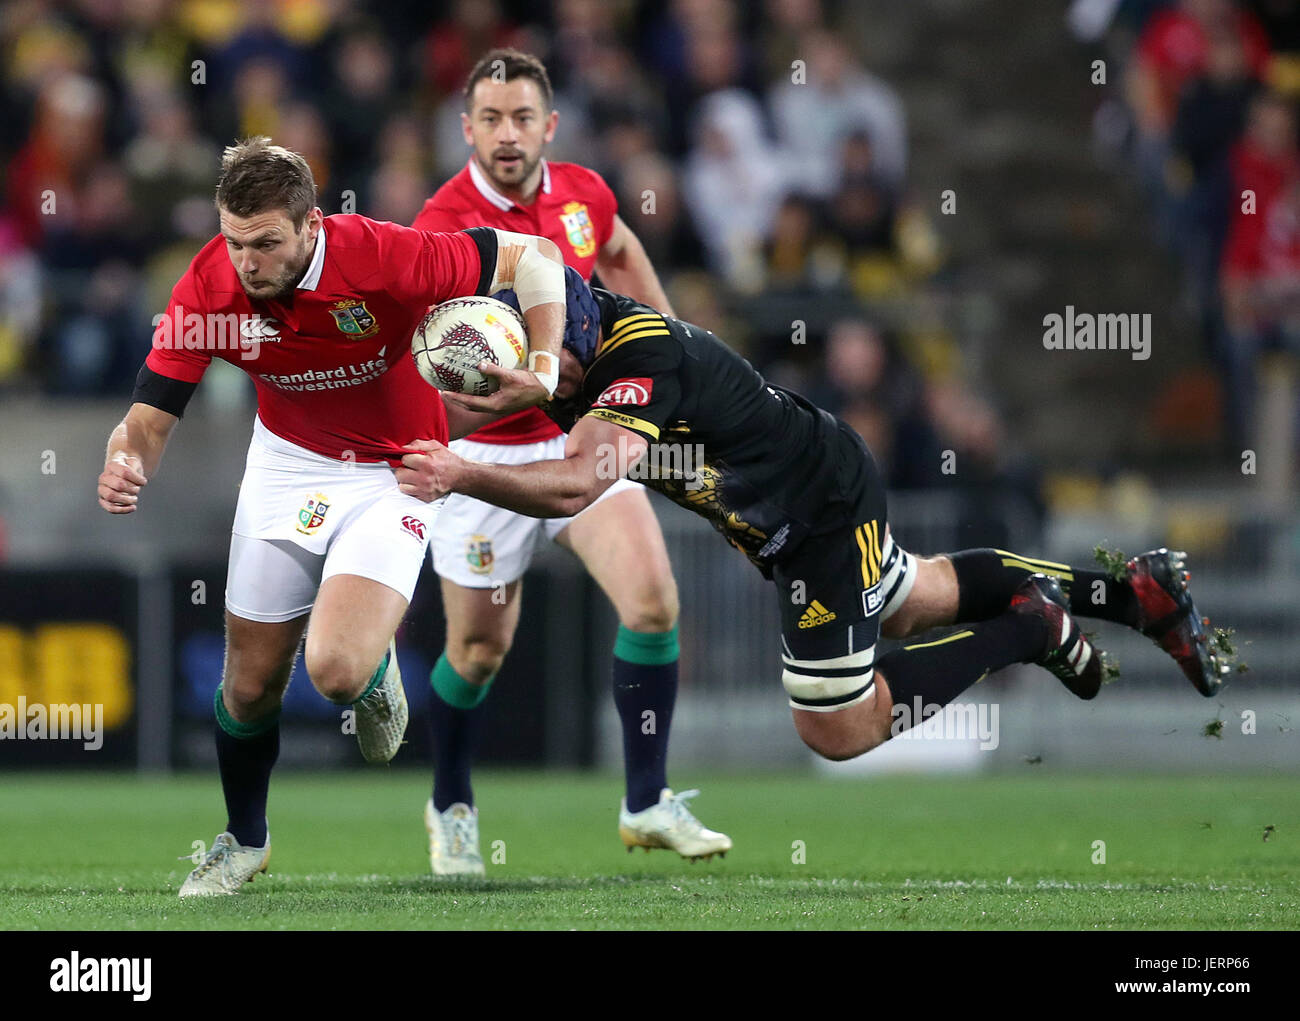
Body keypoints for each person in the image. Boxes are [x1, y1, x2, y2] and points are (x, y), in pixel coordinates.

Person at [398, 277, 1230, 765]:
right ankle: (1130, 594)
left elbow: (581, 483)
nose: (546, 375)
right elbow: (488, 402)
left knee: (834, 723)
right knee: (913, 599)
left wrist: (457, 473)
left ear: (573, 335)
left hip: (814, 510)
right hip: (806, 489)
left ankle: (1034, 630)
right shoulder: (570, 340)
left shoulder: (637, 358)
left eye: (548, 359)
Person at [95, 137, 568, 897]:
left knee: (336, 669)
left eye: (266, 243)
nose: (247, 261)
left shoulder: (381, 257)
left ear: (311, 225)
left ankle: (372, 669)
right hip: (286, 464)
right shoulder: (209, 286)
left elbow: (536, 258)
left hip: (396, 469)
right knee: (249, 688)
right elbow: (148, 416)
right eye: (234, 240)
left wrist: (542, 369)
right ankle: (244, 839)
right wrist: (127, 462)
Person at [410, 49, 730, 874]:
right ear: (466, 128)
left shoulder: (585, 195)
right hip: (482, 462)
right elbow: (447, 388)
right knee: (479, 651)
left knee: (655, 602)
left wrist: (671, 347)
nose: (507, 135)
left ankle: (647, 801)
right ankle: (449, 801)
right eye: (490, 118)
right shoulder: (441, 229)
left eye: (522, 118)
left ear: (549, 125)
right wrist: (535, 382)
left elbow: (618, 249)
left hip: (582, 439)